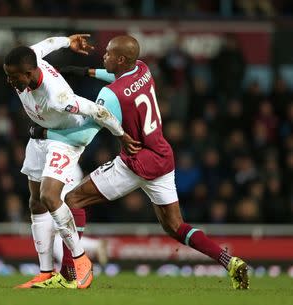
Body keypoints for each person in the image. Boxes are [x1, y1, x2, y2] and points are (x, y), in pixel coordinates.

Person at [36, 35, 249, 290]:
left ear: (121, 59)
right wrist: (85, 72)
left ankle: (71, 273)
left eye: (109, 54)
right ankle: (229, 261)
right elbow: (116, 77)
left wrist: (48, 133)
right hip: (162, 157)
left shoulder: (110, 95)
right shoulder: (143, 69)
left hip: (135, 162)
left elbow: (88, 130)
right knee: (175, 226)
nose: (104, 56)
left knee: (73, 200)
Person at [3, 34, 138, 289]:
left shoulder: (58, 97)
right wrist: (68, 41)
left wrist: (121, 135)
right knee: (35, 202)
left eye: (14, 76)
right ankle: (45, 273)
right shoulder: (28, 59)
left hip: (66, 138)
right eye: (7, 74)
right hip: (41, 134)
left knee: (50, 196)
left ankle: (81, 259)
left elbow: (98, 111)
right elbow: (47, 45)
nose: (9, 81)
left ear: (30, 73)